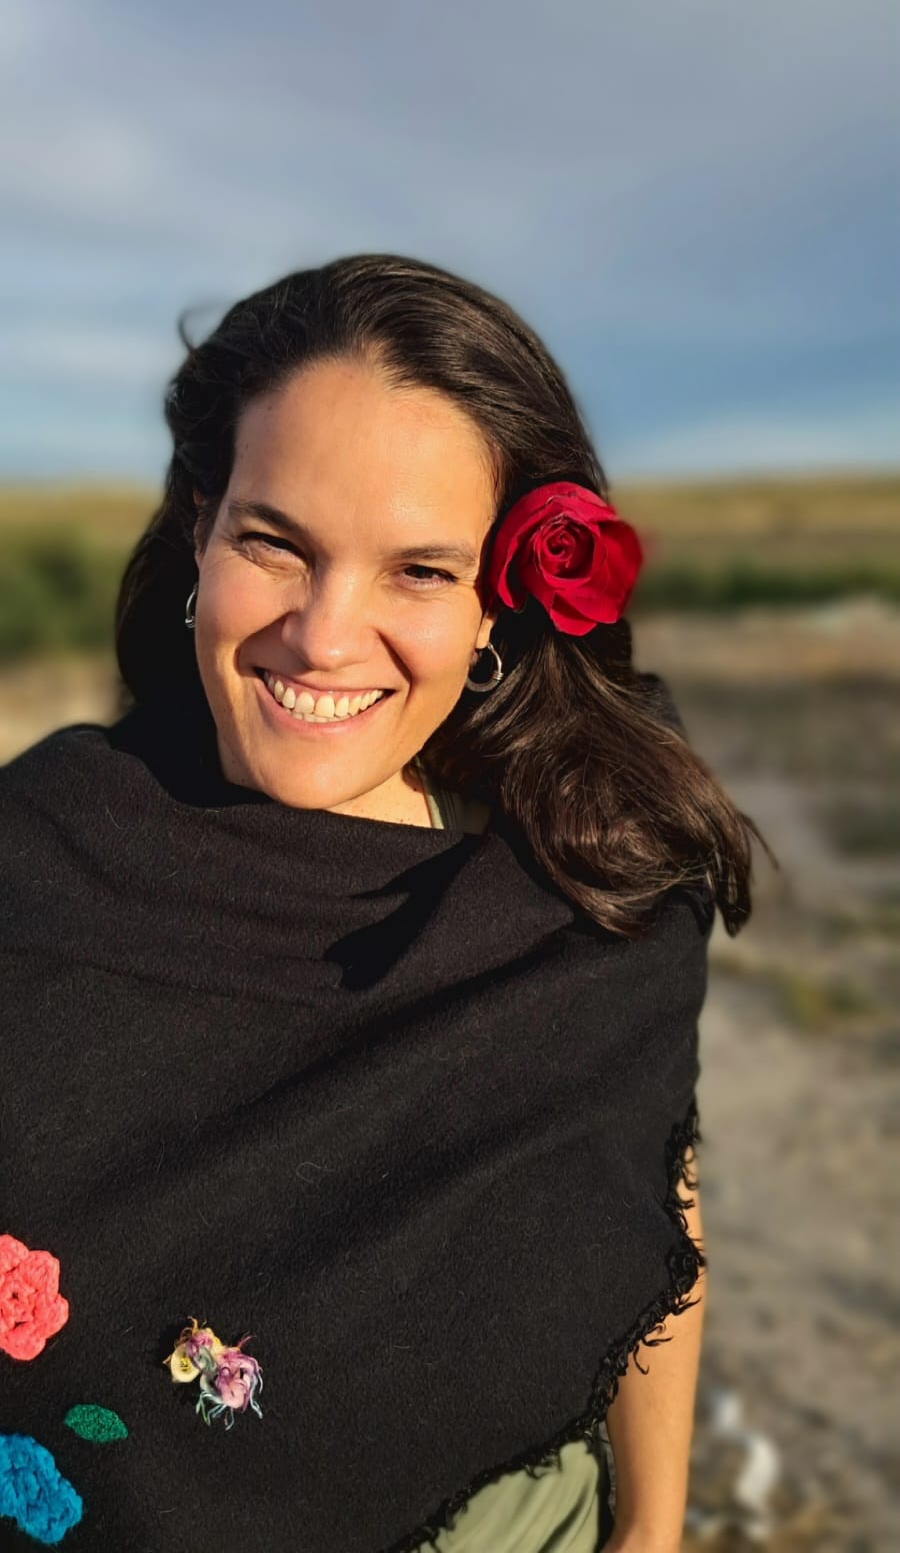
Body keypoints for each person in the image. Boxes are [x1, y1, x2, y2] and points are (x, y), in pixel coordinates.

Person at [0, 253, 773, 1553]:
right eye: (274, 543)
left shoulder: (579, 905)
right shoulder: (36, 856)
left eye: (417, 570)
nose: (323, 634)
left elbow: (644, 1181)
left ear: (493, 609)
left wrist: (652, 1532)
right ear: (200, 530)